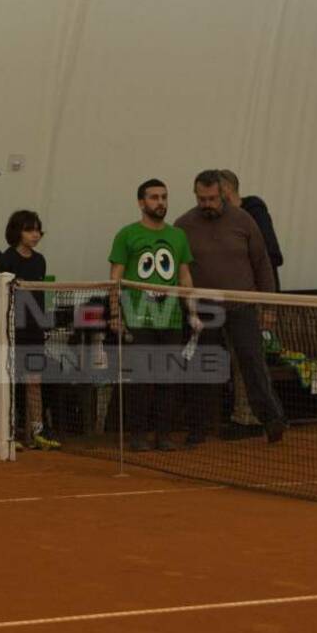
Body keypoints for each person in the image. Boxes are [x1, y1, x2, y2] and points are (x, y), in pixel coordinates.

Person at [175, 170, 287, 445]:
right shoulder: (183, 225)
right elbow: (179, 269)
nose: (207, 204)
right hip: (204, 310)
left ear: (222, 194)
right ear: (195, 195)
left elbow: (262, 264)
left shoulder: (244, 220)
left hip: (242, 306)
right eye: (202, 199)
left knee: (252, 362)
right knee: (203, 367)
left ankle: (272, 421)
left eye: (212, 198)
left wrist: (270, 307)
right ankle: (198, 429)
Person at [108, 179, 200, 452]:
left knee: (168, 379)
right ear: (141, 202)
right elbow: (115, 278)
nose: (160, 202)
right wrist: (116, 314)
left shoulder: (178, 236)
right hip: (139, 319)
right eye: (153, 197)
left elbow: (184, 276)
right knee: (141, 379)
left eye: (164, 197)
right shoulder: (126, 235)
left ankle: (163, 434)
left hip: (170, 319)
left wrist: (192, 312)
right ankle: (138, 434)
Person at [218, 169, 284, 435]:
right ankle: (245, 415)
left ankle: (258, 417)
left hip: (254, 299)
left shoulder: (253, 213)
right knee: (238, 360)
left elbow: (270, 258)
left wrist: (269, 306)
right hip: (227, 302)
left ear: (228, 192)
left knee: (252, 360)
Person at [0, 211, 60, 451]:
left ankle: (37, 430)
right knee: (11, 382)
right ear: (18, 232)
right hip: (10, 331)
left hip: (34, 333)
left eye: (38, 230)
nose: (36, 235)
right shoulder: (6, 261)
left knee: (34, 381)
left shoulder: (40, 260)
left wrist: (42, 324)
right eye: (30, 230)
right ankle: (9, 431)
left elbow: (39, 297)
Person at [218, 170, 283, 291]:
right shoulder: (221, 217)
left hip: (260, 288)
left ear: (226, 189)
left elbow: (271, 252)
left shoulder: (255, 213)